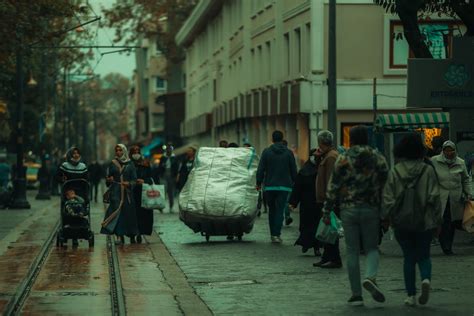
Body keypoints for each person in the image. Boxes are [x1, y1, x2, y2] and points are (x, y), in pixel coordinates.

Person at [324, 125, 389, 305]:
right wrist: (386, 211)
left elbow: (333, 186)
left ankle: (356, 295)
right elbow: (386, 183)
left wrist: (327, 210)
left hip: (348, 209)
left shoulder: (343, 158)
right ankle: (370, 277)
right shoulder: (377, 157)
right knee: (371, 247)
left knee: (351, 251)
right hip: (371, 208)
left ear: (350, 139)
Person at [383, 133, 442, 306]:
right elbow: (435, 198)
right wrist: (438, 221)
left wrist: (386, 218)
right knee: (424, 255)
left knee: (408, 257)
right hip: (425, 221)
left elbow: (388, 198)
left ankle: (410, 295)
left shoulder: (395, 171)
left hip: (401, 222)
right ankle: (425, 280)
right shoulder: (428, 170)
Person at [431, 140, 472, 255]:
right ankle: (445, 245)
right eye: (447, 150)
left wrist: (469, 193)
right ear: (443, 151)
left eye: (451, 150)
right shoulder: (435, 161)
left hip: (455, 198)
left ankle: (448, 246)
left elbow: (466, 179)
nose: (449, 153)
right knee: (443, 222)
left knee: (452, 223)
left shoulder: (460, 162)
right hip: (441, 197)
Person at [256, 130, 297, 243]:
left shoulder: (266, 152)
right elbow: (293, 170)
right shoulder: (289, 153)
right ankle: (276, 234)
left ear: (272, 139)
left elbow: (261, 169)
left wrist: (258, 183)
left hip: (269, 186)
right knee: (280, 210)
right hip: (284, 187)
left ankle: (272, 233)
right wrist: (295, 183)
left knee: (272, 210)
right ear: (282, 139)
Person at [313, 130, 342, 269]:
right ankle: (326, 257)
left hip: (328, 199)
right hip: (324, 199)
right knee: (326, 229)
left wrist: (329, 200)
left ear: (320, 142)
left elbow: (332, 180)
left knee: (331, 230)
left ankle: (334, 259)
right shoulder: (326, 156)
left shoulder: (331, 157)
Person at [101, 144, 139, 244]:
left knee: (129, 214)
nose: (118, 152)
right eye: (117, 150)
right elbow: (108, 181)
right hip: (116, 192)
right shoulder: (112, 163)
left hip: (127, 194)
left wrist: (129, 183)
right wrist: (109, 180)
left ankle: (132, 235)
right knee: (118, 214)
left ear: (124, 151)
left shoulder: (130, 164)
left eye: (120, 150)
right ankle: (119, 236)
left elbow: (134, 180)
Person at [289, 148, 322, 256]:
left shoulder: (321, 169)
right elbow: (298, 188)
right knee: (306, 226)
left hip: (317, 203)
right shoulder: (304, 171)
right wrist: (293, 202)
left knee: (317, 226)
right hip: (307, 203)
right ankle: (306, 244)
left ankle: (316, 247)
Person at [56, 147, 88, 247]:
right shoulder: (65, 165)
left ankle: (80, 229)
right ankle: (68, 231)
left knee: (79, 207)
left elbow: (87, 180)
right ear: (71, 155)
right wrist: (62, 179)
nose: (76, 155)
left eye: (77, 153)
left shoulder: (83, 166)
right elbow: (57, 176)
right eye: (74, 153)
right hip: (68, 192)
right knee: (69, 209)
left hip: (80, 193)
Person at [130, 145, 154, 243]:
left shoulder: (146, 164)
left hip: (143, 193)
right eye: (134, 151)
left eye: (138, 151)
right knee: (131, 215)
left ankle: (140, 233)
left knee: (142, 215)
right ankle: (132, 234)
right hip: (131, 193)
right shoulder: (127, 164)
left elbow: (152, 178)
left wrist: (144, 180)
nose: (136, 153)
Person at [158, 144, 179, 212]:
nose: (169, 150)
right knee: (162, 191)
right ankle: (161, 207)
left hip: (171, 176)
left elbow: (176, 167)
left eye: (170, 149)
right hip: (163, 175)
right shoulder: (163, 157)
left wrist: (176, 176)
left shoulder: (174, 157)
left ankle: (171, 207)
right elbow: (159, 167)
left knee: (171, 192)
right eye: (167, 149)